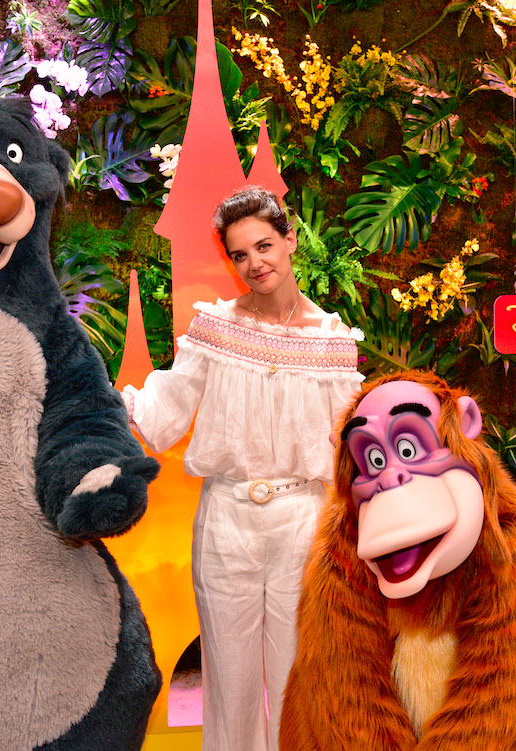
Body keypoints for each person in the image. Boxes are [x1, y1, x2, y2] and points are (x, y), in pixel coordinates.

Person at [122, 186, 364, 751]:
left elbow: (346, 444)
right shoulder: (215, 328)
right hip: (225, 520)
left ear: (290, 241)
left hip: (303, 522)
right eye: (239, 254)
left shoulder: (332, 341)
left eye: (264, 246)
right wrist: (104, 397)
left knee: (296, 679)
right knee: (228, 686)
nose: (254, 263)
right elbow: (167, 409)